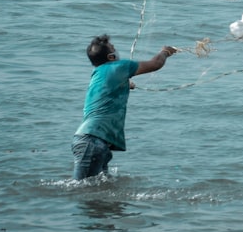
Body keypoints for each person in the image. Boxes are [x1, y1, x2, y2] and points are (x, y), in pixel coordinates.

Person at [72, 34, 177, 180]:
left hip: (95, 142)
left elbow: (107, 91)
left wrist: (125, 85)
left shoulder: (99, 73)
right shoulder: (119, 66)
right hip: (92, 142)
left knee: (96, 194)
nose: (116, 49)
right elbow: (155, 64)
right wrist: (165, 52)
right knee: (80, 191)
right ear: (111, 57)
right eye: (113, 48)